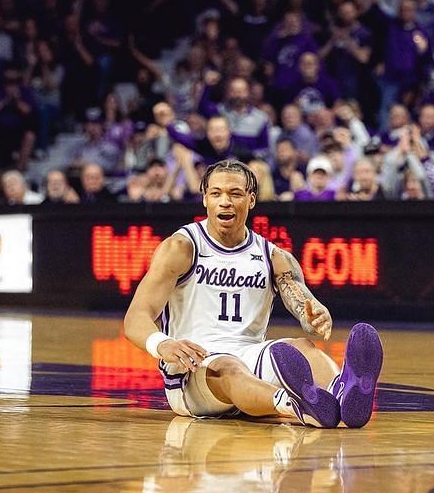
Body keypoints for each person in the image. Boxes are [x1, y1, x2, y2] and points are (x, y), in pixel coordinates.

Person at [123, 160, 383, 428]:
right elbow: (135, 319)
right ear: (205, 200)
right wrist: (163, 344)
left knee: (301, 347)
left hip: (249, 357)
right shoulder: (182, 247)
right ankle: (296, 406)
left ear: (251, 200)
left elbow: (302, 302)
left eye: (235, 194)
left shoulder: (274, 256)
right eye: (216, 193)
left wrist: (314, 317)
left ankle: (340, 392)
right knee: (228, 368)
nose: (225, 201)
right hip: (192, 368)